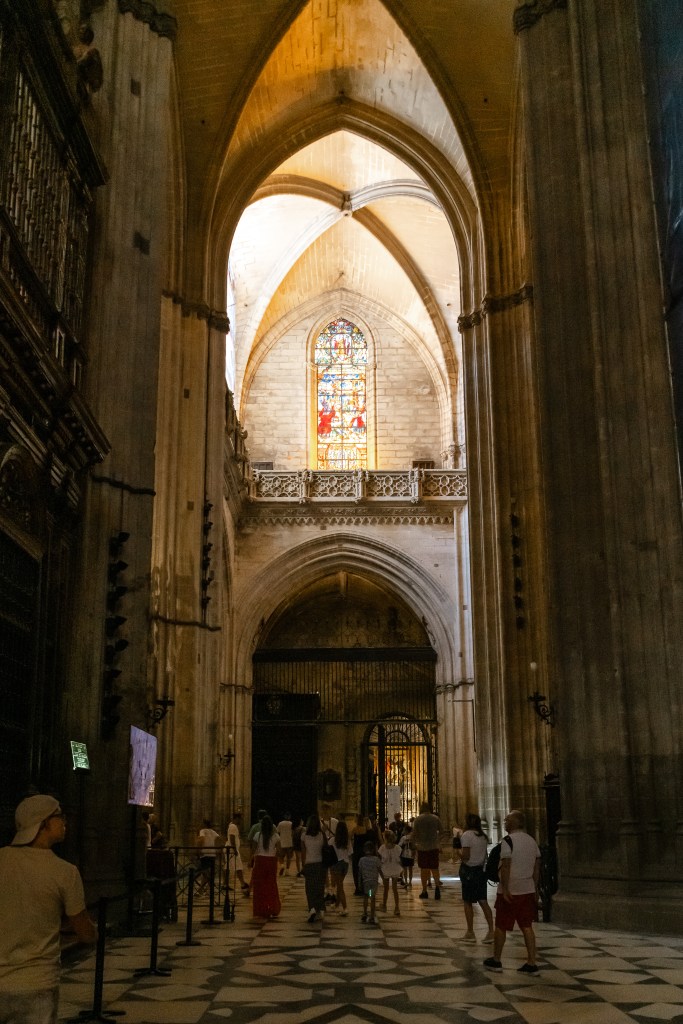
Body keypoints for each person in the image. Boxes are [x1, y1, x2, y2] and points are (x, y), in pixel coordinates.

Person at [0, 794, 97, 1024]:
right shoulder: (64, 872)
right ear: (43, 823)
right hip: (37, 983)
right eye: (59, 816)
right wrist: (93, 933)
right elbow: (85, 932)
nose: (64, 821)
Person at [483, 809, 541, 975]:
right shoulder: (531, 840)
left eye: (507, 820)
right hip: (527, 889)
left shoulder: (508, 841)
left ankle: (496, 960)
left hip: (511, 891)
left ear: (515, 822)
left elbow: (506, 865)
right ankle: (531, 963)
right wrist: (535, 887)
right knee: (527, 926)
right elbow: (537, 866)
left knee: (501, 925)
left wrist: (506, 888)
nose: (505, 822)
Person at [459, 812, 494, 943]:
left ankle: (470, 932)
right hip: (480, 871)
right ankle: (491, 931)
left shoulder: (467, 835)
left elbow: (466, 856)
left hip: (469, 871)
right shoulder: (483, 836)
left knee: (467, 902)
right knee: (483, 901)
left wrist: (457, 852)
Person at [250, 814, 281, 918]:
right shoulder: (276, 836)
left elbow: (253, 850)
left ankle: (261, 909)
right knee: (271, 885)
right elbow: (279, 851)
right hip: (271, 861)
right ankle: (272, 907)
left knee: (259, 886)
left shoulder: (257, 835)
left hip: (260, 861)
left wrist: (251, 860)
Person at [412, 801, 442, 899]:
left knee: (424, 869)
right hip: (433, 846)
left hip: (422, 847)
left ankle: (424, 891)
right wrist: (438, 840)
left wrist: (414, 844)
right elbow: (442, 831)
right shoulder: (435, 818)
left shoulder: (418, 819)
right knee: (435, 868)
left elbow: (414, 833)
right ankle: (437, 888)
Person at [300, 813, 326, 922]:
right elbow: (324, 849)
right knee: (319, 887)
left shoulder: (304, 836)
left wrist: (303, 865)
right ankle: (320, 910)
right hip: (320, 864)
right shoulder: (322, 835)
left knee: (310, 888)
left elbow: (303, 852)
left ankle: (312, 908)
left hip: (309, 863)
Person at [329, 819, 352, 915]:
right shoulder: (347, 841)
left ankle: (345, 907)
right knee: (340, 884)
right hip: (345, 864)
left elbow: (329, 851)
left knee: (340, 886)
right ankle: (337, 904)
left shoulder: (332, 840)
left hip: (336, 863)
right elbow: (350, 853)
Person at [225, 811, 250, 896]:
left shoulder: (231, 825)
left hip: (230, 849)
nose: (241, 821)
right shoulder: (233, 826)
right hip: (232, 850)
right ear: (237, 818)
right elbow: (232, 838)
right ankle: (242, 884)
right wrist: (235, 849)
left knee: (227, 867)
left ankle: (225, 884)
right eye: (240, 819)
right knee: (238, 866)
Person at [358, 840, 381, 924]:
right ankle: (371, 915)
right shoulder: (376, 859)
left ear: (364, 850)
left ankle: (365, 912)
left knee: (366, 896)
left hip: (366, 882)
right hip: (373, 882)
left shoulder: (361, 860)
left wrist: (359, 883)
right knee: (372, 897)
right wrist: (383, 878)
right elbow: (379, 869)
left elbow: (360, 873)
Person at [378, 830, 402, 915]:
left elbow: (380, 859)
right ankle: (397, 907)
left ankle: (384, 905)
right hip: (395, 869)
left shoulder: (382, 848)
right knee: (395, 889)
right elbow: (400, 859)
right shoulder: (397, 848)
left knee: (386, 889)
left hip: (386, 869)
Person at [196, 818, 221, 894]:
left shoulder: (203, 831)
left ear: (204, 824)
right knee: (208, 872)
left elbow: (201, 839)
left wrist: (198, 849)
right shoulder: (213, 831)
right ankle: (207, 889)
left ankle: (203, 889)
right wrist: (217, 849)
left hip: (205, 853)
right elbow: (219, 838)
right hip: (212, 854)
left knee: (205, 872)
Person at [399, 823, 415, 887]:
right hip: (411, 855)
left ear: (406, 831)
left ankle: (406, 881)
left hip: (404, 854)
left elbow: (400, 845)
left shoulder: (403, 838)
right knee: (410, 869)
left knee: (405, 869)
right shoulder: (413, 837)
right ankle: (410, 881)